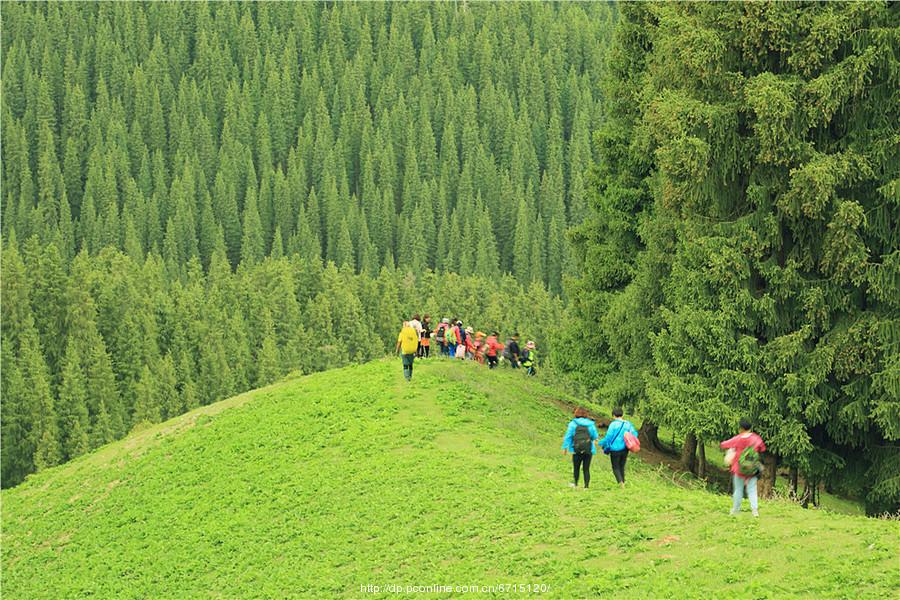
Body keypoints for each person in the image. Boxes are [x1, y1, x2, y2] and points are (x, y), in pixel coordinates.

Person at [720, 418, 766, 517]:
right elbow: (762, 448)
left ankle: (736, 510)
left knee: (738, 489)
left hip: (738, 469)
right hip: (752, 468)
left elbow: (724, 444)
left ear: (741, 428)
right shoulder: (756, 438)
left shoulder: (738, 438)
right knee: (752, 490)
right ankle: (754, 510)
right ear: (750, 427)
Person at [599, 408, 638, 488]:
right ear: (622, 415)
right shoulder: (628, 424)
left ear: (613, 415)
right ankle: (623, 482)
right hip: (625, 449)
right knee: (622, 466)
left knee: (615, 467)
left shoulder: (613, 424)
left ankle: (621, 484)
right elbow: (635, 434)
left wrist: (600, 443)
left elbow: (608, 437)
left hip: (615, 449)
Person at [562, 407, 599, 489]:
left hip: (576, 449)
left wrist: (565, 448)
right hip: (588, 449)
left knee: (576, 467)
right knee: (586, 468)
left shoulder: (572, 424)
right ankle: (586, 486)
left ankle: (575, 484)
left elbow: (568, 437)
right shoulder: (591, 424)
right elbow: (595, 436)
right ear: (586, 414)